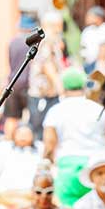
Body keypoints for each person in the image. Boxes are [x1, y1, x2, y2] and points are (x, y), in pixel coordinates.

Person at [42, 67, 105, 207]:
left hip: (68, 170)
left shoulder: (55, 111)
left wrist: (46, 163)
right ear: (85, 85)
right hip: (98, 169)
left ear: (63, 87)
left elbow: (49, 144)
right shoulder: (99, 109)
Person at [28, 11, 67, 140]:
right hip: (43, 93)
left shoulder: (52, 40)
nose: (60, 29)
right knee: (41, 130)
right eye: (58, 25)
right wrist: (60, 86)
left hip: (49, 92)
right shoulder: (47, 40)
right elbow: (46, 65)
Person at [4, 14, 39, 140]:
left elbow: (10, 62)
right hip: (27, 84)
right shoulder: (33, 43)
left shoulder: (13, 42)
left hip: (12, 82)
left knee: (11, 117)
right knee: (32, 116)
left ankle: (8, 141)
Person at [80, 6, 105, 74]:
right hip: (89, 65)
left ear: (98, 17)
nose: (87, 18)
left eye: (90, 16)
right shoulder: (87, 31)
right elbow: (83, 48)